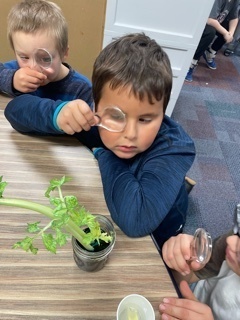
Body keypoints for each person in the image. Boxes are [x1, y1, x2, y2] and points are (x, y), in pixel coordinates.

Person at [4, 33, 196, 245]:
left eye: (145, 119)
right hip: (110, 201)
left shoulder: (175, 147)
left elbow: (136, 220)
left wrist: (103, 153)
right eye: (115, 115)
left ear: (163, 113)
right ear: (95, 105)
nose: (130, 134)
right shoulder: (93, 118)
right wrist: (57, 114)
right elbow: (15, 111)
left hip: (160, 228)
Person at [0, 0, 92, 106]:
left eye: (45, 58)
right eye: (24, 57)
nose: (33, 68)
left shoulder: (82, 89)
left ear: (64, 53)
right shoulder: (16, 70)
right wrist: (12, 80)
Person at [159, 216, 240, 319]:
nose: (230, 240)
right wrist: (183, 262)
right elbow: (190, 277)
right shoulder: (233, 242)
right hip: (196, 294)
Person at [185, 0, 240, 82]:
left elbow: (234, 18)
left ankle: (210, 53)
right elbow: (209, 20)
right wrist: (225, 33)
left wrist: (230, 34)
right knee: (210, 33)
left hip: (215, 21)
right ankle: (190, 63)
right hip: (201, 20)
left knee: (229, 29)